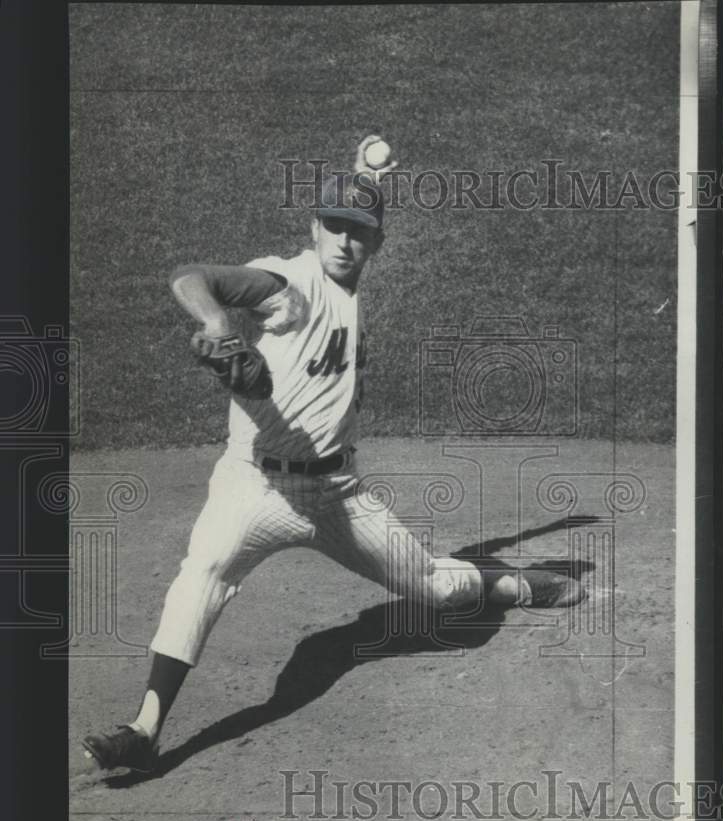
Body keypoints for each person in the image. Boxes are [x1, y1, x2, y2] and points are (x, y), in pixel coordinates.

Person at [83, 139, 584, 774]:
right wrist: (216, 325)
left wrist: (363, 177)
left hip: (339, 495)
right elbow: (190, 277)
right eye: (335, 227)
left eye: (360, 233)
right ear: (313, 228)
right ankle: (145, 729)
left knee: (433, 588)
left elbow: (355, 214)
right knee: (202, 574)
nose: (345, 242)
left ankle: (504, 585)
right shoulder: (283, 285)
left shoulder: (347, 274)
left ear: (376, 243)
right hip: (255, 486)